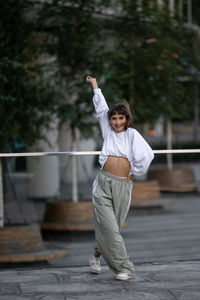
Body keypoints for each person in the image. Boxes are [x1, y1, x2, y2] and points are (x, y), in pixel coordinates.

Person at [86, 75, 154, 281]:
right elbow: (101, 108)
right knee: (109, 228)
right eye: (113, 118)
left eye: (120, 118)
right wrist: (95, 85)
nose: (116, 122)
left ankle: (97, 255)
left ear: (127, 119)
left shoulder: (132, 134)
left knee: (113, 227)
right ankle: (125, 268)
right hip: (103, 183)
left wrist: (135, 172)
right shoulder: (107, 132)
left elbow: (147, 154)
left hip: (123, 185)